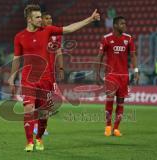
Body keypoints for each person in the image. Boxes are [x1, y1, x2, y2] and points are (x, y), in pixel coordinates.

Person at [9, 4, 100, 152]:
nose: (41, 20)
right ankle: (29, 142)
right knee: (29, 108)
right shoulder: (19, 37)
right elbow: (17, 58)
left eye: (40, 16)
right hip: (28, 79)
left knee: (44, 113)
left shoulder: (48, 31)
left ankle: (39, 138)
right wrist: (12, 78)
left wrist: (89, 20)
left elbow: (69, 28)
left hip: (46, 79)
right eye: (37, 17)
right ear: (29, 19)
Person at [96, 16, 139, 137]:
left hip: (124, 75)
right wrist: (97, 73)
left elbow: (134, 56)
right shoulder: (106, 39)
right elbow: (99, 56)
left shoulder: (128, 39)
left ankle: (116, 128)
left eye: (125, 23)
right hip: (111, 75)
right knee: (110, 98)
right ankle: (108, 126)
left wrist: (136, 71)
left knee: (121, 102)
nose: (124, 25)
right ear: (115, 25)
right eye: (122, 23)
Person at [33, 12, 64, 136]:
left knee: (48, 102)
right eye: (47, 18)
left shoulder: (56, 35)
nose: (49, 20)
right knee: (37, 100)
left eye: (51, 18)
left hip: (50, 74)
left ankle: (43, 127)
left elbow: (58, 51)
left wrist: (61, 68)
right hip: (37, 73)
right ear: (41, 20)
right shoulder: (36, 33)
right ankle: (36, 125)